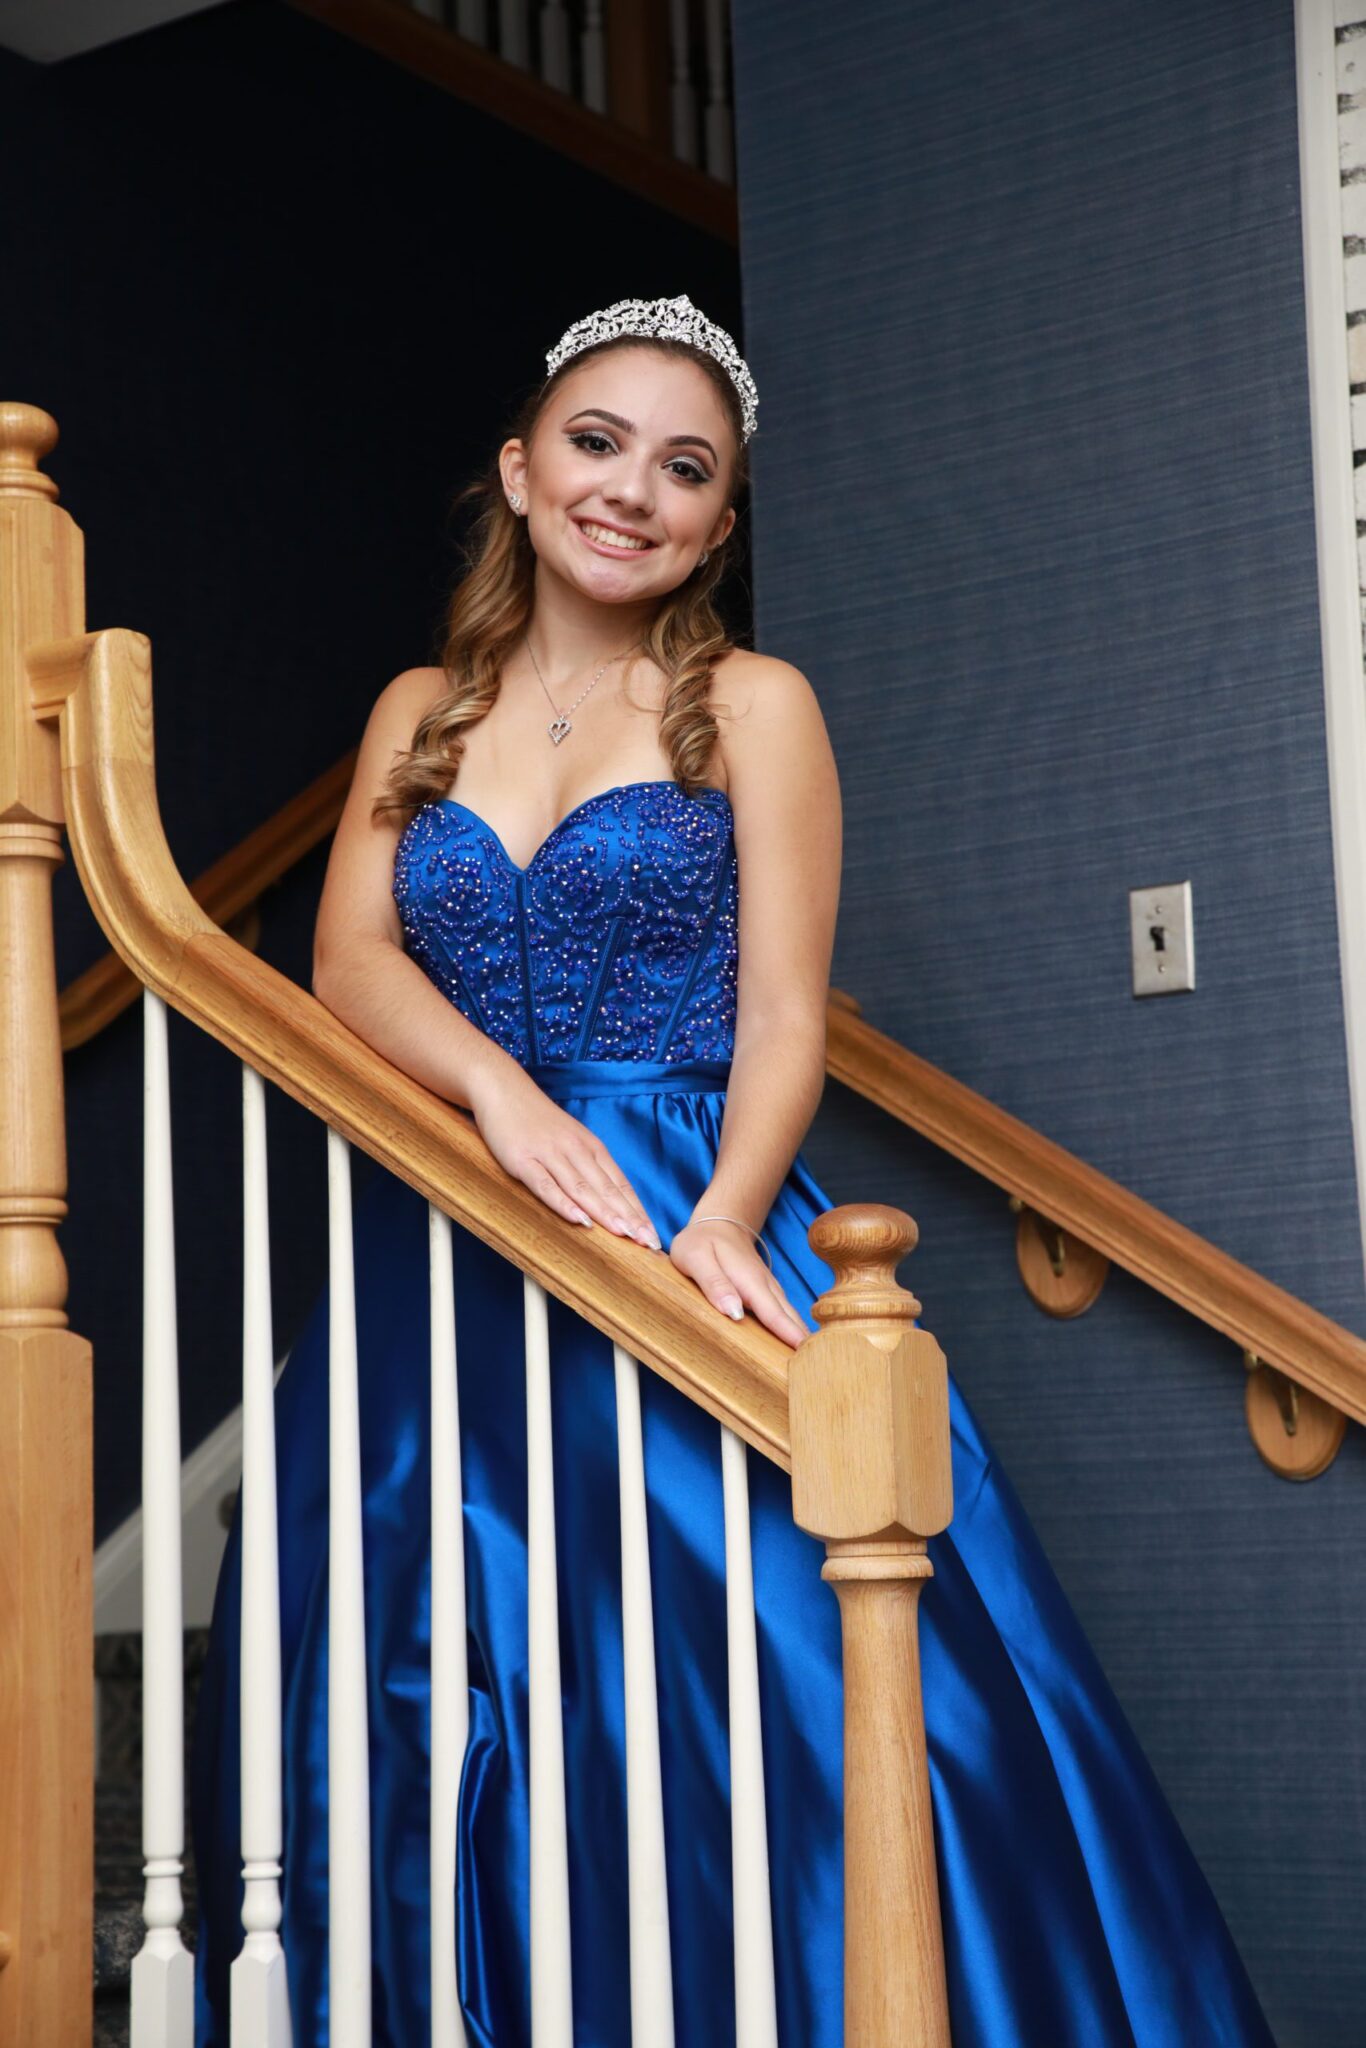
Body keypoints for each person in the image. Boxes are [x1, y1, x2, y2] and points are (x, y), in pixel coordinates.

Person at [191, 295, 1274, 2046]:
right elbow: (349, 963)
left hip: (676, 1204)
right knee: (419, 1645)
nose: (632, 490)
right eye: (597, 442)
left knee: (773, 1648)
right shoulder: (415, 709)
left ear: (717, 525)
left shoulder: (753, 705)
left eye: (685, 469)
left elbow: (782, 1018)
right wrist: (496, 1099)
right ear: (519, 469)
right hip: (446, 1219)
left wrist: (716, 1222)